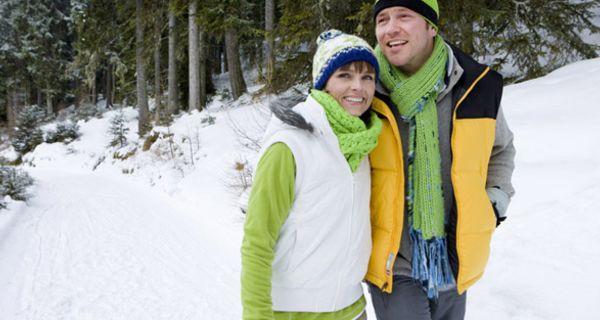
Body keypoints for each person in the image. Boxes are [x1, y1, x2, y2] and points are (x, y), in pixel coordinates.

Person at [365, 0, 516, 319]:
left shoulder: (474, 86)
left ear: (431, 26)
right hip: (393, 261)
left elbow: (500, 149)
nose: (391, 28)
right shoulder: (364, 91)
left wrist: (493, 204)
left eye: (404, 16)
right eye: (382, 19)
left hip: (453, 253)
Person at [241, 29, 383, 320]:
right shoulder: (289, 145)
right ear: (323, 83)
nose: (358, 87)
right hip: (292, 312)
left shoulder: (365, 142)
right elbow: (257, 241)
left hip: (353, 308)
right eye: (345, 75)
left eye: (367, 77)